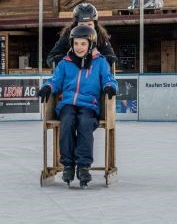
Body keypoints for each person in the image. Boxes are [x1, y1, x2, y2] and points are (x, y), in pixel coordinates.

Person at [38, 25, 118, 187]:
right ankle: (68, 164)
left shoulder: (100, 62)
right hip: (67, 104)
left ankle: (83, 166)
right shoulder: (65, 63)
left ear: (91, 45)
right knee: (67, 123)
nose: (79, 47)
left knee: (85, 124)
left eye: (83, 44)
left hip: (89, 105)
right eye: (76, 44)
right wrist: (48, 87)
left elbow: (109, 79)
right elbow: (56, 80)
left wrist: (110, 87)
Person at [46, 3, 117, 68]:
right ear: (75, 25)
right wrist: (72, 59)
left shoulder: (100, 35)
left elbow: (112, 59)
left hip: (93, 76)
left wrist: (94, 59)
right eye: (82, 25)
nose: (86, 28)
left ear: (95, 24)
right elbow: (51, 59)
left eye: (89, 24)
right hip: (71, 77)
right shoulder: (68, 35)